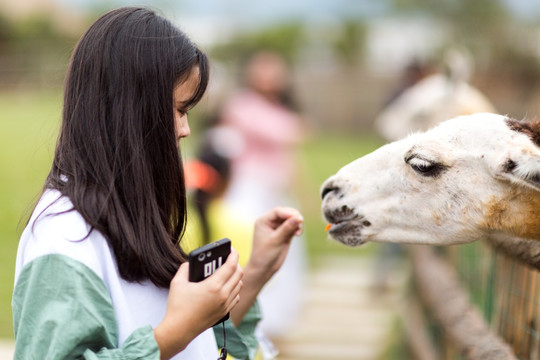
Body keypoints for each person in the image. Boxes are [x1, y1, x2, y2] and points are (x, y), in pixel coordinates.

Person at [12, 7, 303, 360]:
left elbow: (198, 346)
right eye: (179, 109)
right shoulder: (66, 236)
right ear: (130, 110)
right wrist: (172, 334)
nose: (185, 129)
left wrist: (255, 272)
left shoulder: (123, 212)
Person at [218, 51, 307, 339]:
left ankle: (276, 320)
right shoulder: (242, 105)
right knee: (251, 249)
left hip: (274, 190)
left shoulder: (276, 108)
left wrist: (302, 190)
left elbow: (290, 153)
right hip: (248, 189)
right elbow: (291, 131)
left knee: (284, 255)